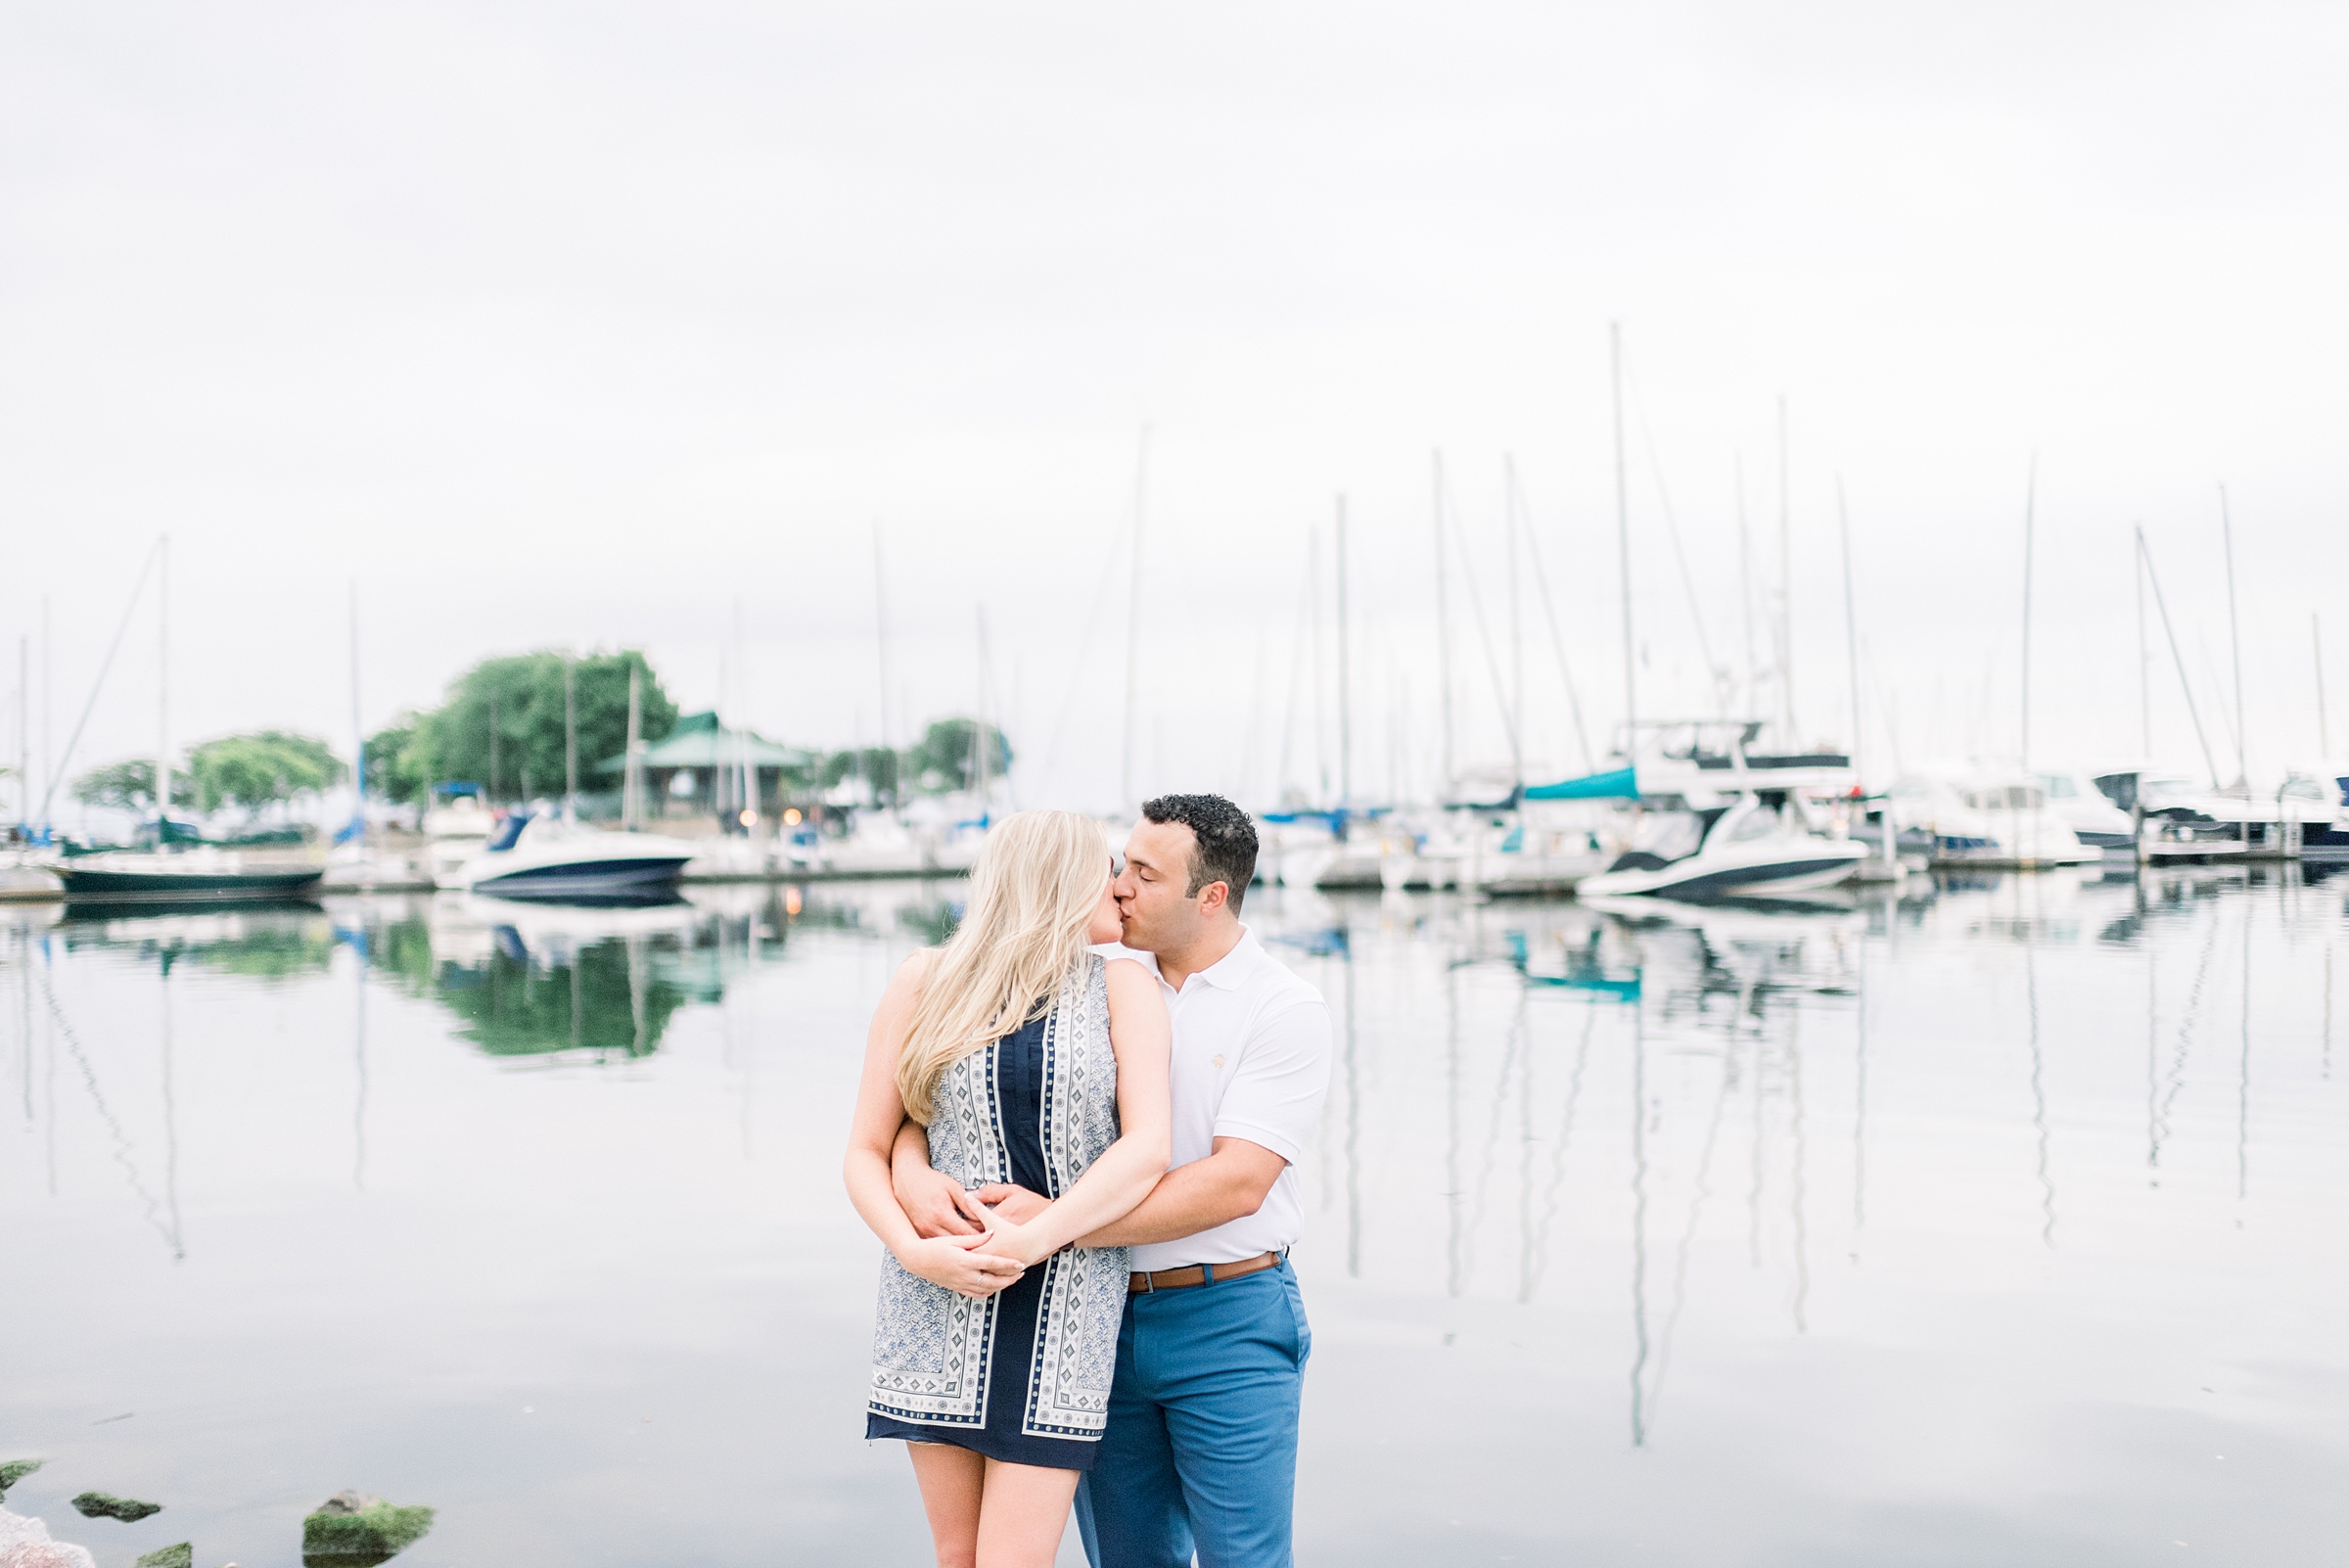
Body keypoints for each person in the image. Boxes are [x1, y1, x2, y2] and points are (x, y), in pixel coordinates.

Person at [896, 794, 1334, 1568]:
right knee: (1130, 1561)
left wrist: (1048, 1226)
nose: (1120, 885)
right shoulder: (1093, 982)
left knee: (1247, 1559)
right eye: (1120, 866)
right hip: (1094, 1314)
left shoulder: (1283, 1008)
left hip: (1225, 1313)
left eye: (1143, 874)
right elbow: (940, 1100)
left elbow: (1236, 1184)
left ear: (1212, 896)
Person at [844, 808, 1174, 1568]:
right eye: (1108, 870)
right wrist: (913, 1249)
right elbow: (865, 1148)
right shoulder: (926, 978)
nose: (1122, 889)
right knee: (957, 1556)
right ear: (1060, 882)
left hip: (1065, 1300)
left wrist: (1033, 1238)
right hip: (936, 1292)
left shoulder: (1121, 985)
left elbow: (1146, 1148)